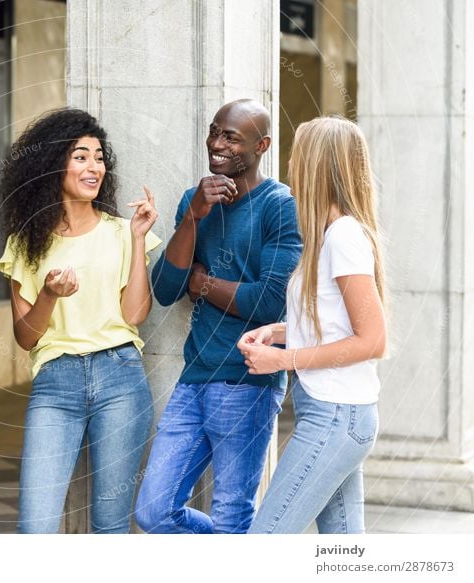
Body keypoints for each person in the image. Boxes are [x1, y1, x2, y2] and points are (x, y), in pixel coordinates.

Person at [134, 99, 302, 534]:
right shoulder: (197, 201)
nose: (216, 144)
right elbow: (166, 290)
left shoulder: (280, 206)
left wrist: (203, 285)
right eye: (214, 132)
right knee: (153, 510)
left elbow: (268, 303)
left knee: (232, 513)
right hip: (195, 378)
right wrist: (191, 218)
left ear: (262, 145)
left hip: (248, 381)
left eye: (231, 137)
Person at [0, 108, 161, 533]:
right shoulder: (24, 245)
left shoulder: (123, 231)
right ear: (54, 164)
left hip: (120, 376)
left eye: (100, 156)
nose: (95, 167)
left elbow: (135, 315)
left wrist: (139, 238)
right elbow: (26, 338)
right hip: (56, 383)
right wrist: (49, 295)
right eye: (81, 156)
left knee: (109, 527)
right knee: (36, 526)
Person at [242, 116, 387, 534]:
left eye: (298, 153)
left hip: (336, 416)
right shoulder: (328, 235)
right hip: (334, 413)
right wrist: (278, 332)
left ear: (318, 166)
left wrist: (282, 359)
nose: (290, 162)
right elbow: (335, 320)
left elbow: (372, 339)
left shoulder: (343, 236)